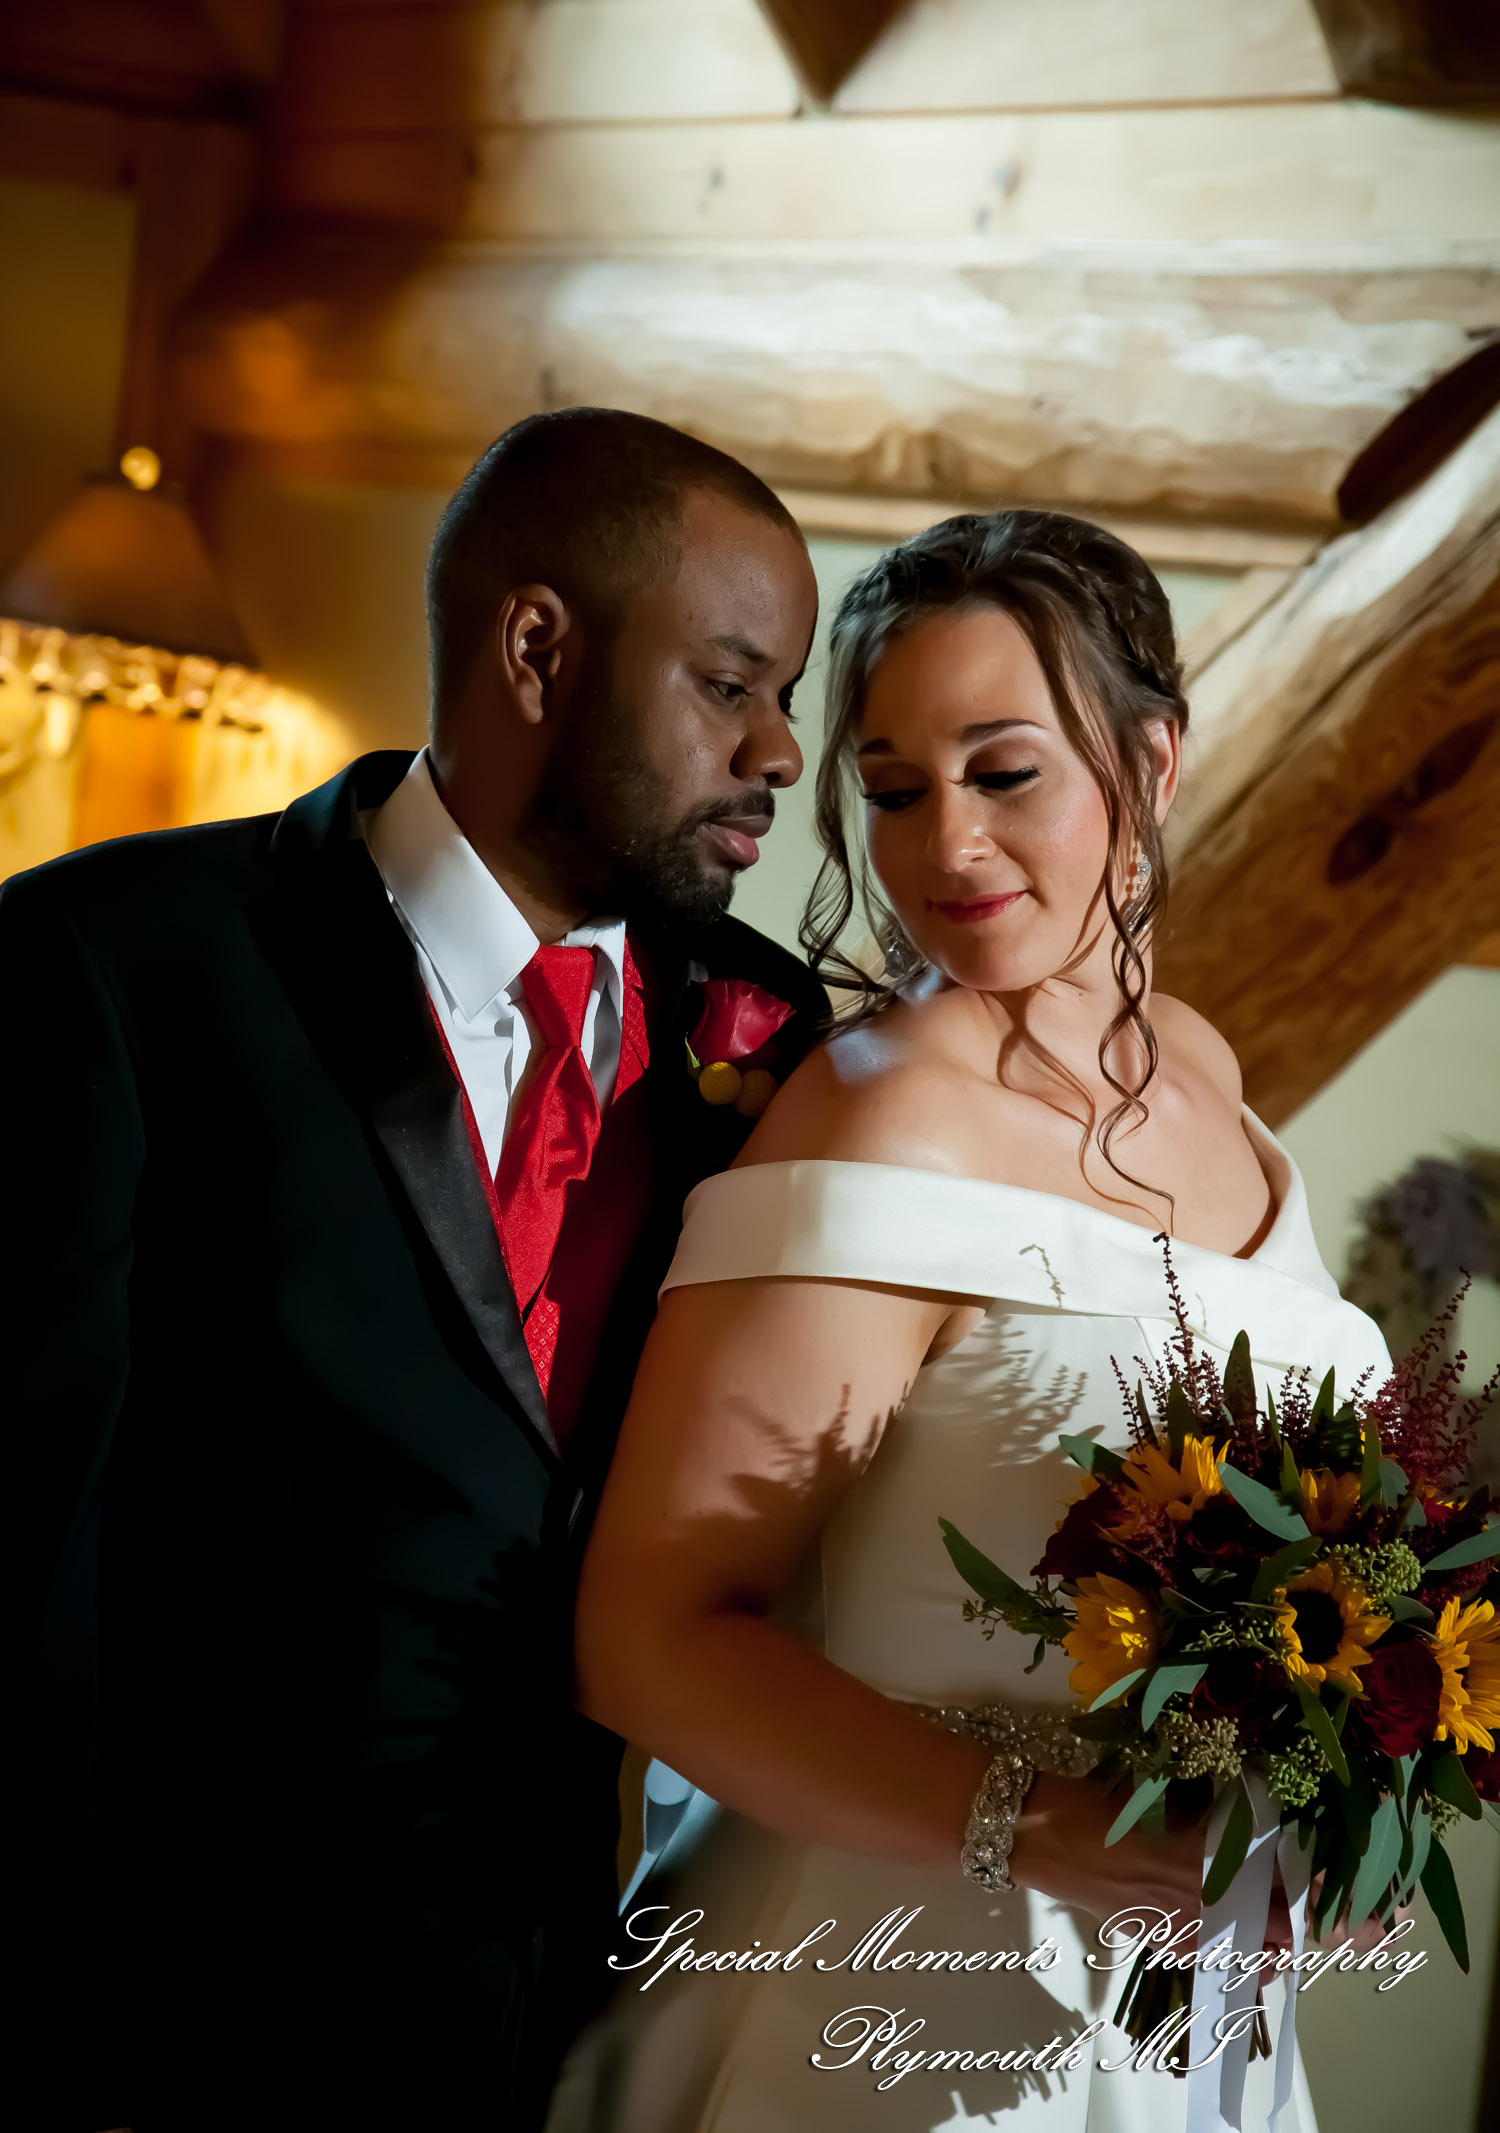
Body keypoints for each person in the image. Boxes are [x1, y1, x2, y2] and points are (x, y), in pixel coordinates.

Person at [0, 407, 826, 2133]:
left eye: (789, 700)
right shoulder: (112, 968)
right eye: (732, 684)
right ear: (538, 647)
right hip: (178, 2028)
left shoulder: (761, 1037)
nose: (779, 752)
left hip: (555, 2034)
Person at [548, 509, 1391, 2132]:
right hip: (876, 1985)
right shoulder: (877, 1118)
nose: (948, 849)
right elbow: (646, 1631)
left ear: (1151, 763)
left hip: (1187, 2012)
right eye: (892, 790)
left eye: (1004, 773)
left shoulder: (1208, 1077)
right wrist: (1040, 1823)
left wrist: (1333, 1810)